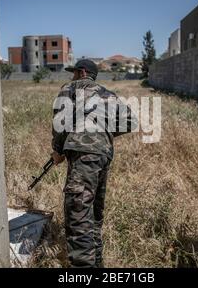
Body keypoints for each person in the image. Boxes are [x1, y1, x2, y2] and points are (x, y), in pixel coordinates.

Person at [51, 59, 136, 267]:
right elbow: (130, 122)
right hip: (103, 155)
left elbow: (60, 121)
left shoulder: (71, 88)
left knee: (78, 214)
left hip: (82, 154)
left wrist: (58, 150)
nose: (71, 77)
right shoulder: (109, 94)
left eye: (73, 73)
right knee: (94, 214)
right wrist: (103, 133)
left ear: (81, 72)